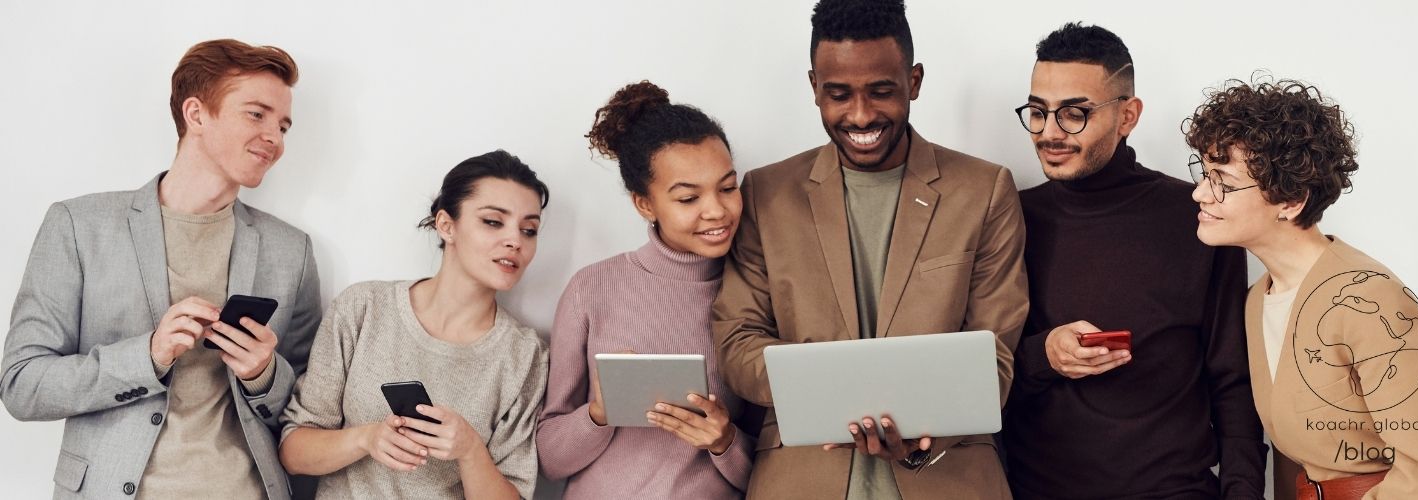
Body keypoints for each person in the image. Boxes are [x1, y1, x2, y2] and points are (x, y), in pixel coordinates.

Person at [712, 0, 1028, 497]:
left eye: (882, 91)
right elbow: (736, 339)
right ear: (814, 86)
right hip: (801, 476)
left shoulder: (985, 190)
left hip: (946, 473)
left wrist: (923, 437)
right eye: (839, 94)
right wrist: (833, 393)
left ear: (915, 82)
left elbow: (995, 355)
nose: (860, 115)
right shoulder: (763, 193)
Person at [0, 39, 318, 500]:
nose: (276, 137)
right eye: (257, 114)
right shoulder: (78, 226)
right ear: (196, 114)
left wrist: (265, 374)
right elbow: (22, 384)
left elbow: (309, 409)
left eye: (284, 125)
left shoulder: (292, 251)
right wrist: (146, 356)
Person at [1001, 23, 1266, 499]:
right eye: (1038, 113)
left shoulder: (1201, 216)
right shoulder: (1009, 216)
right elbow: (973, 375)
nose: (1050, 133)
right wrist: (1044, 355)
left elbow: (1233, 379)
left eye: (1074, 114)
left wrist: (1242, 492)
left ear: (1128, 115)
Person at [1186, 77, 1418, 499]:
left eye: (1222, 181)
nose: (1199, 193)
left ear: (1290, 200)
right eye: (1205, 174)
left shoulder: (1371, 300)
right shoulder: (1256, 300)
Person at [278, 150, 549, 499]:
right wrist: (365, 438)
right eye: (494, 222)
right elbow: (293, 452)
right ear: (446, 225)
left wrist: (469, 450)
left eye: (529, 230)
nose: (515, 241)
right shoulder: (363, 308)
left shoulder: (525, 355)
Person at [535, 80, 754, 498]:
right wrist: (598, 413)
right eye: (688, 198)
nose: (717, 210)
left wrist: (724, 441)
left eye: (728, 187)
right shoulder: (591, 288)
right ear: (645, 204)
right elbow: (549, 457)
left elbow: (779, 468)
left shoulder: (755, 292)